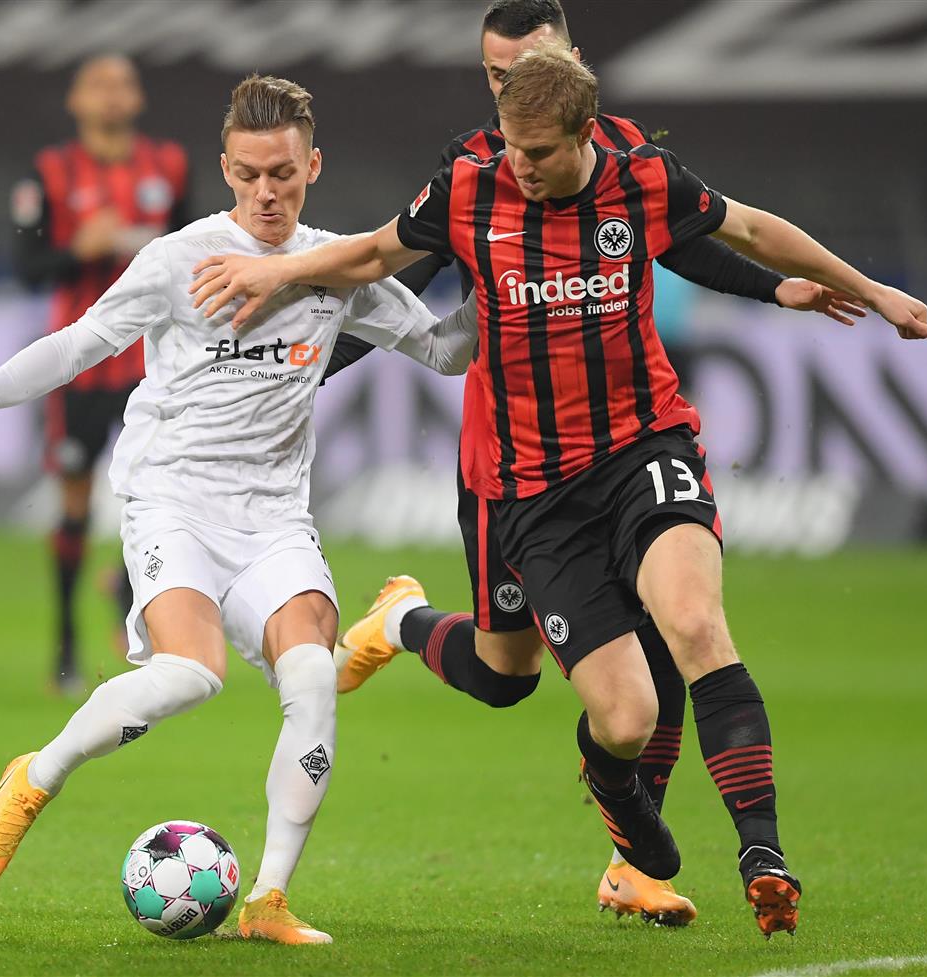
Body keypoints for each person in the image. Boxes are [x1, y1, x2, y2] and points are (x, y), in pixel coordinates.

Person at [188, 45, 927, 937]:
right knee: (592, 706)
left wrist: (869, 288)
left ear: (583, 133)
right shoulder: (470, 184)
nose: (518, 164)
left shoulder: (642, 178)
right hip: (534, 488)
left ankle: (762, 854)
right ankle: (427, 639)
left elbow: (749, 228)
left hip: (644, 446)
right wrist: (278, 274)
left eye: (536, 152)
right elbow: (381, 256)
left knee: (693, 624)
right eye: (509, 143)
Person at [322, 0, 864, 926]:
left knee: (677, 632)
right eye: (495, 80)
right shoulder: (483, 170)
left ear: (573, 64)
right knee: (506, 674)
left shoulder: (629, 160)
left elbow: (698, 237)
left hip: (635, 442)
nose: (510, 96)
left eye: (525, 70)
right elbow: (393, 277)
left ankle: (649, 865)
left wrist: (785, 287)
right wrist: (307, 375)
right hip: (512, 467)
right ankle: (402, 620)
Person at [0, 74, 478, 945]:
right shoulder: (181, 258)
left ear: (312, 165)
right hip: (171, 496)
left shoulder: (337, 265)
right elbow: (80, 341)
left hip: (275, 513)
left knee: (314, 678)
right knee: (192, 673)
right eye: (248, 173)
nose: (266, 192)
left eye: (283, 172)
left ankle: (268, 902)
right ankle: (35, 776)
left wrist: (502, 274)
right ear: (224, 168)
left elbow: (443, 352)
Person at [12, 54, 193, 696]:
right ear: (76, 100)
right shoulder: (51, 171)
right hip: (82, 363)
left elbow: (200, 246)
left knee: (156, 486)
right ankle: (64, 642)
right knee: (75, 498)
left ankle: (127, 592)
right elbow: (28, 267)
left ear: (138, 97)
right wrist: (77, 250)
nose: (112, 97)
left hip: (155, 359)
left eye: (122, 85)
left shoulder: (168, 165)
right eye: (98, 85)